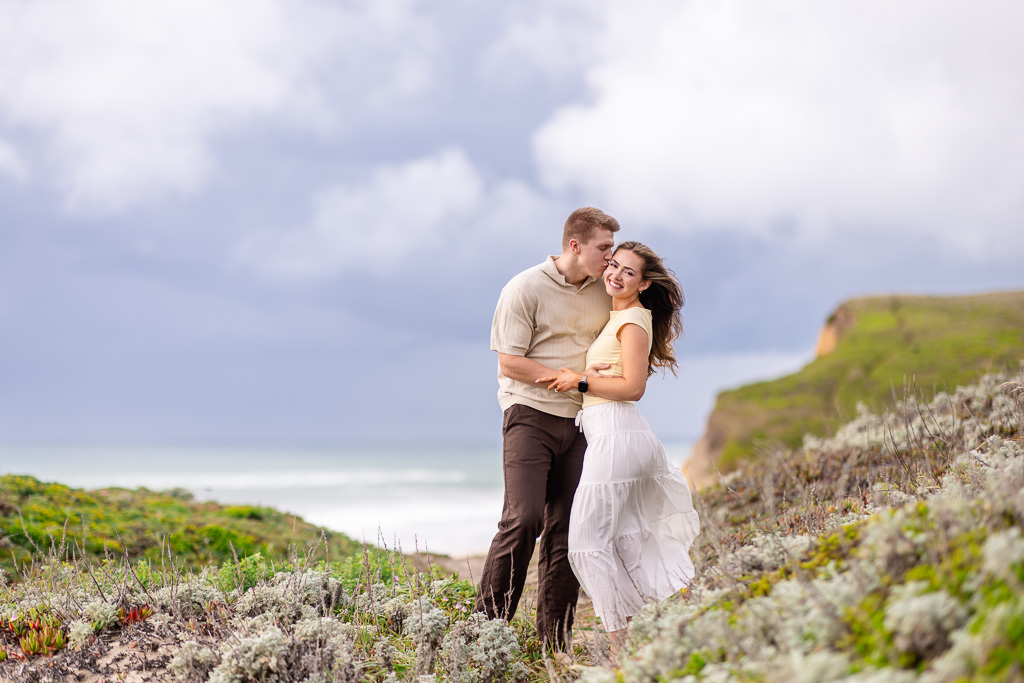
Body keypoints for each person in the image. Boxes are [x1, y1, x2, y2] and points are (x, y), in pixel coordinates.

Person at [537, 241, 700, 644]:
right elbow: (610, 380)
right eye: (613, 265)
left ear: (643, 284)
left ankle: (620, 652)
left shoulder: (632, 320)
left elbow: (633, 387)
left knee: (585, 546)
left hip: (617, 436)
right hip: (614, 434)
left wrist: (580, 380)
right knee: (629, 542)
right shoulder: (621, 318)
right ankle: (684, 626)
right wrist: (586, 374)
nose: (615, 274)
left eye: (629, 272)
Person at [475, 207, 619, 650]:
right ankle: (484, 633)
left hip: (582, 420)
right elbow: (509, 362)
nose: (609, 258)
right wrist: (562, 377)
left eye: (612, 249)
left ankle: (554, 643)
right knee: (524, 519)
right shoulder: (524, 288)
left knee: (569, 529)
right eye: (603, 248)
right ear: (575, 246)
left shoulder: (604, 290)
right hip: (530, 414)